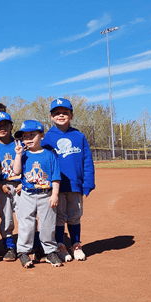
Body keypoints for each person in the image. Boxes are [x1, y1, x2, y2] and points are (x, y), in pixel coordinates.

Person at [41, 97, 95, 262]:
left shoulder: (79, 136)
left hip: (75, 185)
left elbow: (87, 161)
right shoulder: (47, 138)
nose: (61, 115)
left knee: (74, 216)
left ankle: (76, 244)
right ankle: (60, 246)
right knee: (59, 217)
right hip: (57, 187)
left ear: (71, 115)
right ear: (51, 117)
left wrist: (88, 184)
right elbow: (43, 162)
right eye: (57, 113)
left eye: (65, 112)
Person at [12, 120, 62, 269]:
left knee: (48, 225)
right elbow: (16, 171)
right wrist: (18, 155)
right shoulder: (24, 155)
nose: (28, 139)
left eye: (32, 135)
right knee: (26, 224)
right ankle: (23, 251)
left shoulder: (49, 155)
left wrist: (55, 194)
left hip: (46, 195)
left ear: (41, 135)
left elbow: (55, 177)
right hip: (27, 195)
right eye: (24, 136)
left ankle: (50, 251)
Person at [0, 112, 20, 261]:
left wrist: (23, 183)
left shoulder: (19, 144)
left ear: (11, 126)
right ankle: (9, 247)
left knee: (27, 216)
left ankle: (29, 245)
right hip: (3, 186)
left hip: (20, 186)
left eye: (5, 125)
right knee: (7, 218)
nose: (3, 128)